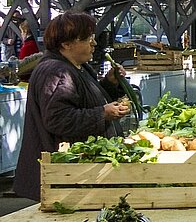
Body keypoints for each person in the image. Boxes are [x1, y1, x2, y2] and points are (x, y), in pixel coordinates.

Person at [14, 12, 131, 200]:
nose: (94, 43)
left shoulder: (76, 66)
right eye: (87, 39)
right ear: (66, 44)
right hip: (62, 178)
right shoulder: (56, 72)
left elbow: (84, 99)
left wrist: (110, 83)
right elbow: (58, 120)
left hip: (73, 176)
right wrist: (102, 113)